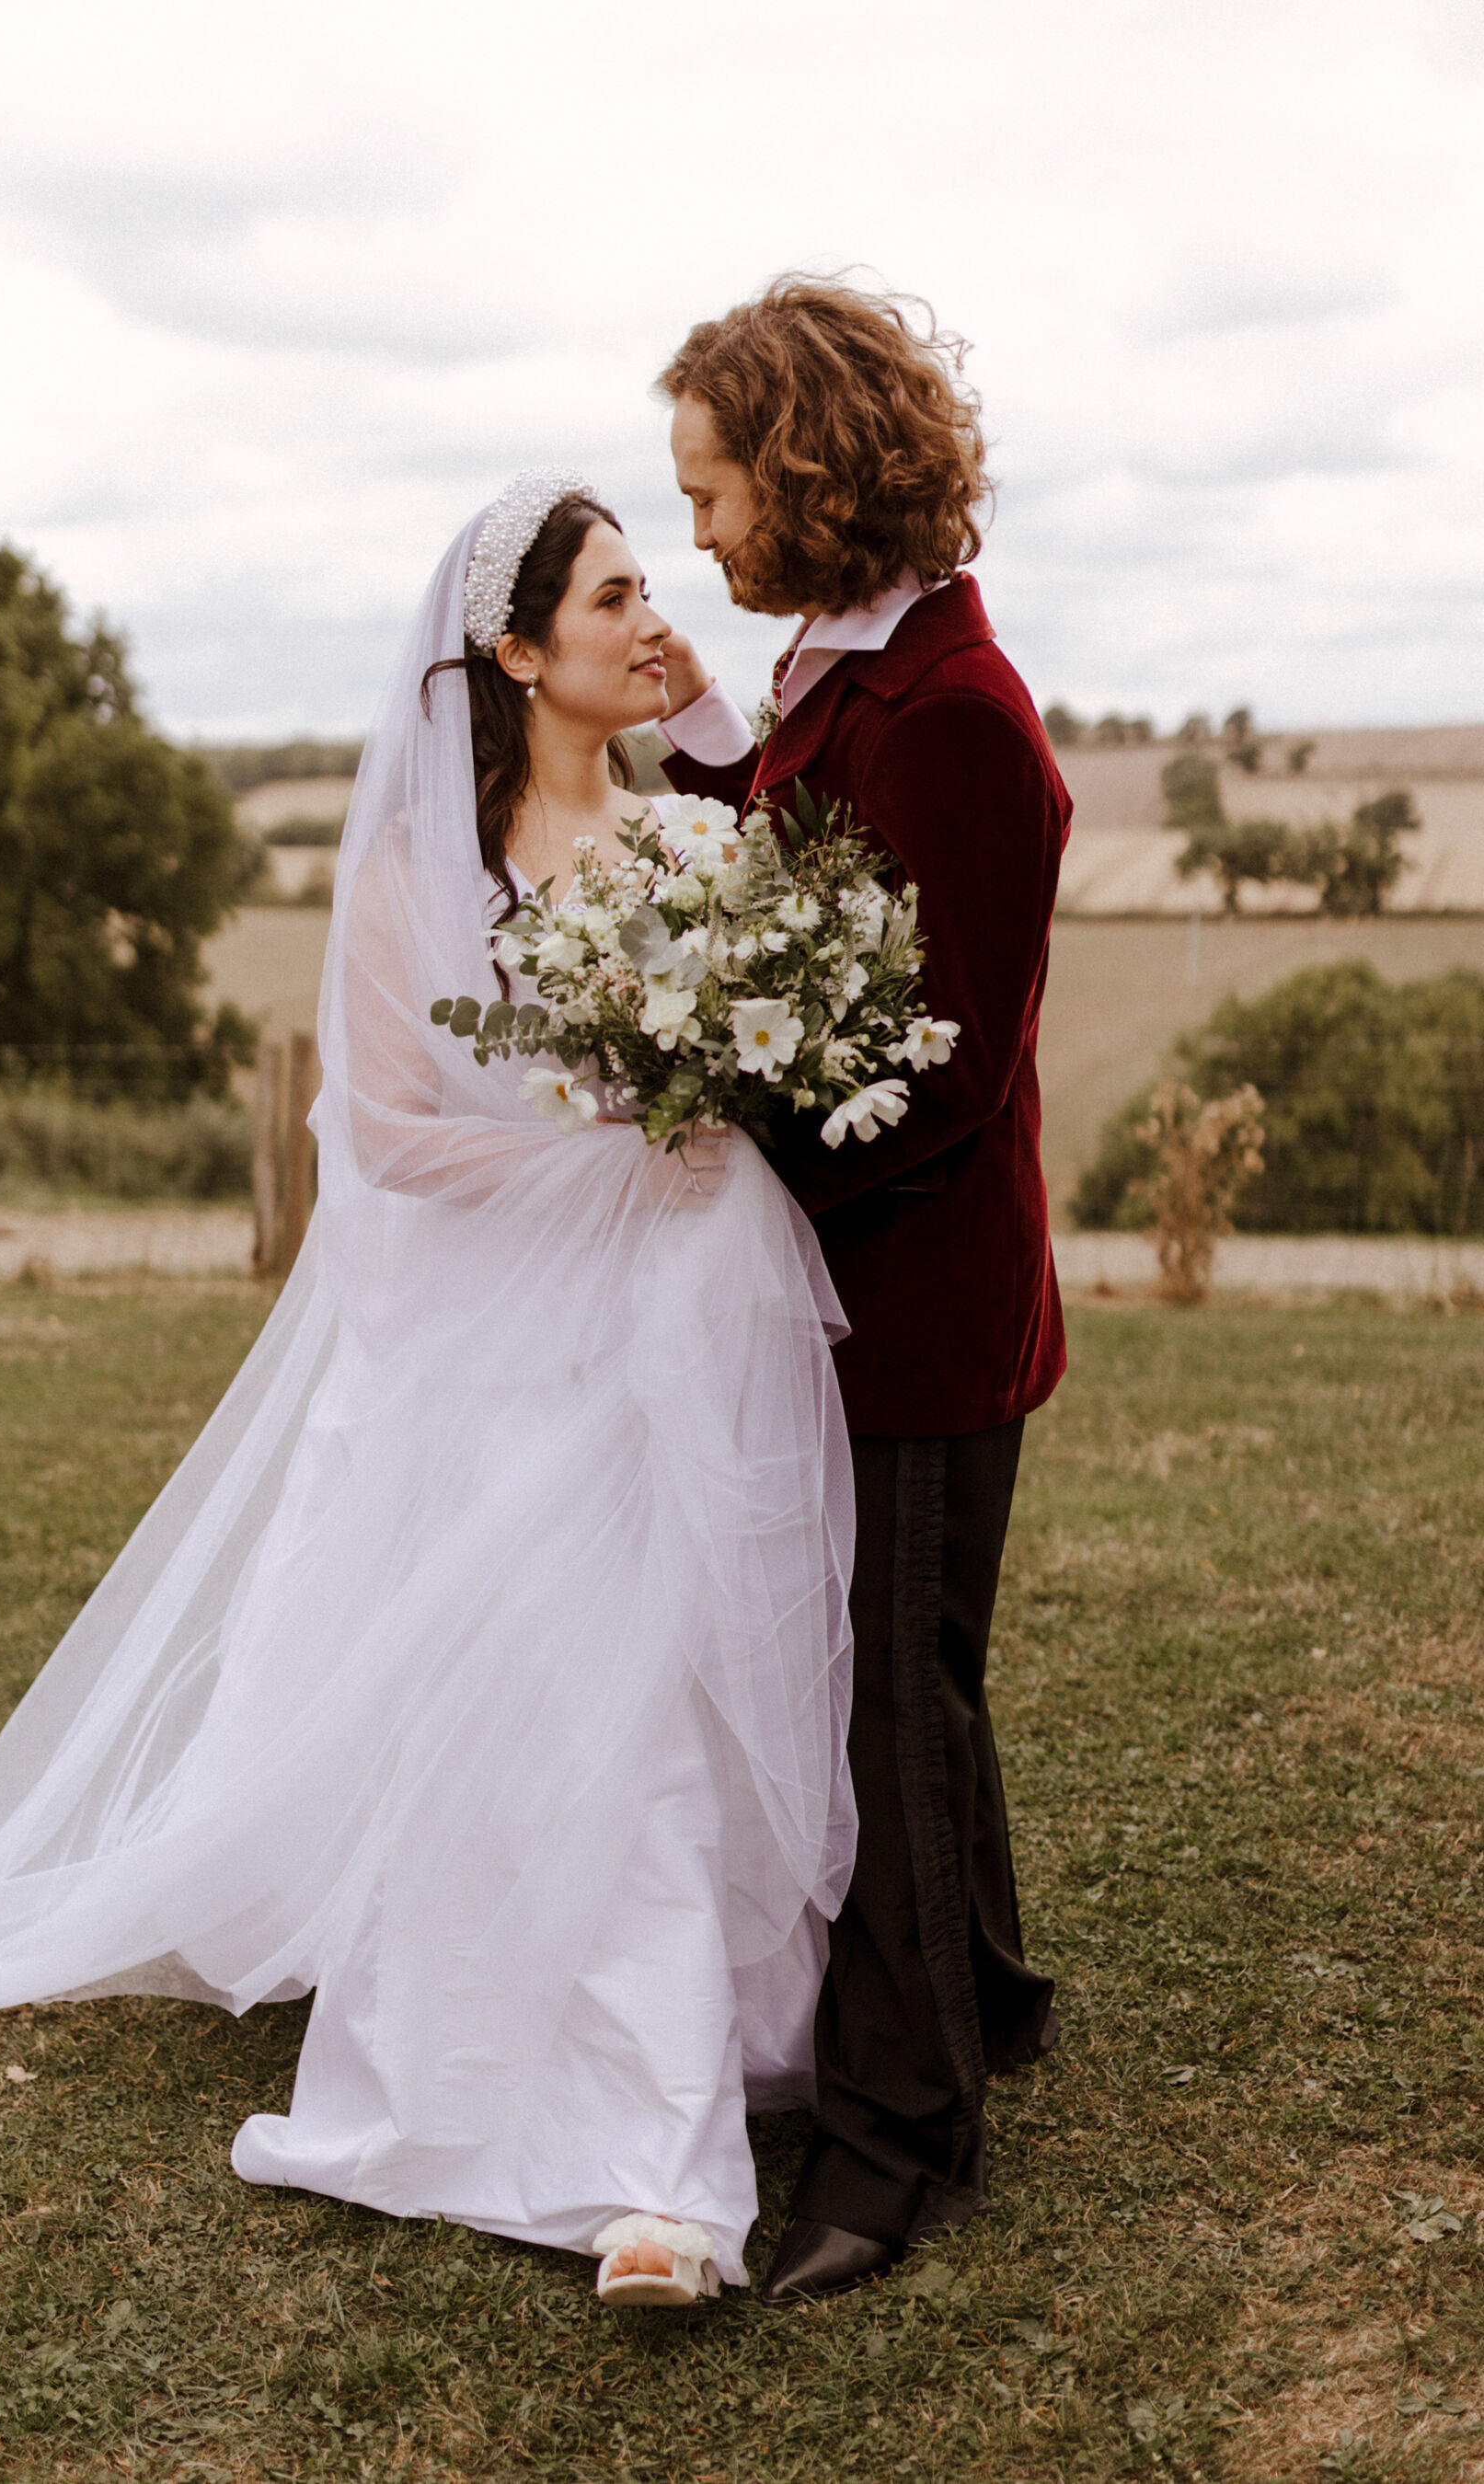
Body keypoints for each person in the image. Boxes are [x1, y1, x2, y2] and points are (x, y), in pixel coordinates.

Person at [0, 471, 858, 2310]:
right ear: (515, 648)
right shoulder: (413, 881)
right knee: (558, 1723)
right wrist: (608, 1150)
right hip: (499, 1365)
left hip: (667, 1349)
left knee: (665, 1717)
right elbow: (388, 1139)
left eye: (650, 588)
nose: (652, 620)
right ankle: (598, 2142)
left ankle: (674, 2121)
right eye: (614, 596)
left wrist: (700, 1091)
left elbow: (772, 1028)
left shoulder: (698, 856)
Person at [654, 276, 1068, 2302]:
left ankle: (896, 2150)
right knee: (922, 1671)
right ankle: (985, 1996)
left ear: (803, 473)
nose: (702, 536)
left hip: (916, 1305)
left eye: (713, 491)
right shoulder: (841, 665)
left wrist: (735, 1133)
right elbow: (788, 853)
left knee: (887, 1703)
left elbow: (948, 1068)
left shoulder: (966, 719)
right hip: (846, 1290)